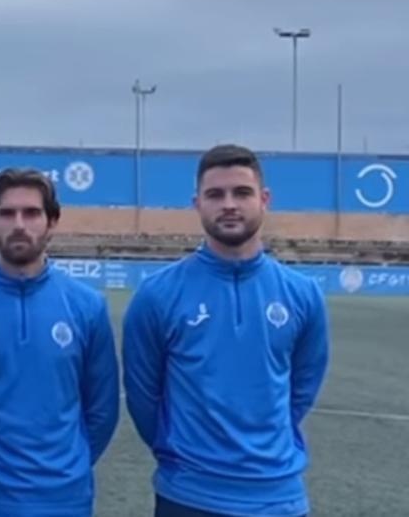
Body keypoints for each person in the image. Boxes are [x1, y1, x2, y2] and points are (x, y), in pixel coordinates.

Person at [122, 144, 331, 517]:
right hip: (189, 495)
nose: (229, 204)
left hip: (277, 496)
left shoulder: (303, 294)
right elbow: (143, 396)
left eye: (242, 193)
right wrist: (180, 452)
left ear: (264, 200)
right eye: (215, 195)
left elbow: (303, 385)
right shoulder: (158, 295)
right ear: (197, 203)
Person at [0, 167, 120, 517]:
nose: (19, 224)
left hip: (65, 503)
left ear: (52, 221)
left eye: (31, 213)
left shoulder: (87, 306)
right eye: (7, 213)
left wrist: (67, 472)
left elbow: (103, 410)